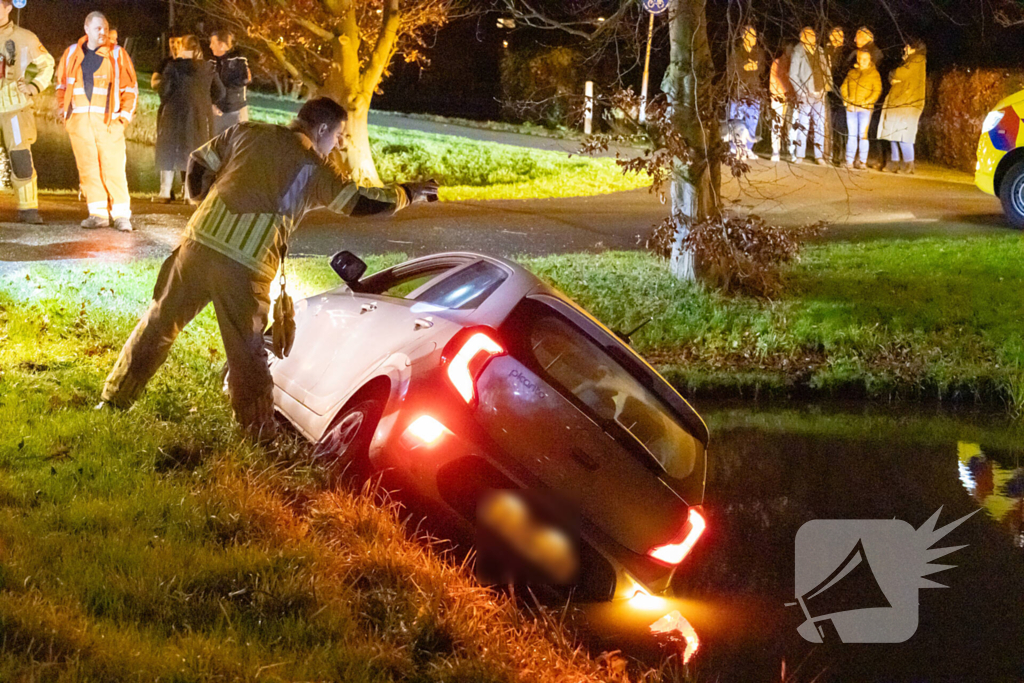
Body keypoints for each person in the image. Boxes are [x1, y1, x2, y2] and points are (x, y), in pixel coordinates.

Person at [97, 98, 440, 440]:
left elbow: (198, 162)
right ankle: (259, 435)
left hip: (197, 246)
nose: (339, 143)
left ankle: (113, 400)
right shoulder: (314, 167)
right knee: (247, 354)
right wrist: (410, 192)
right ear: (320, 128)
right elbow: (362, 201)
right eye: (338, 135)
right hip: (245, 264)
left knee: (160, 322)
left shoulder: (245, 132)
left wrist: (204, 202)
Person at [55, 11, 139, 232]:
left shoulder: (118, 55)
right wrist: (66, 115)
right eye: (97, 28)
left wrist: (123, 119)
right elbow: (61, 86)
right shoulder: (72, 53)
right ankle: (98, 213)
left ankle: (121, 215)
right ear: (86, 29)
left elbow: (130, 89)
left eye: (104, 28)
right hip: (80, 123)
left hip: (109, 122)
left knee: (113, 167)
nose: (102, 32)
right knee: (88, 168)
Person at [0, 0, 54, 224]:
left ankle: (28, 209)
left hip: (14, 108)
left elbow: (47, 64)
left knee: (20, 157)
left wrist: (33, 87)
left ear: (8, 7)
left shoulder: (26, 38)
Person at [154, 35, 224, 202]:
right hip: (200, 115)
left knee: (169, 149)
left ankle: (165, 191)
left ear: (182, 47)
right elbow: (221, 92)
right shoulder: (208, 68)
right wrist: (207, 102)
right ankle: (188, 194)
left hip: (174, 114)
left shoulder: (173, 66)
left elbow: (164, 90)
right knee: (193, 151)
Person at [878, 39, 927, 174]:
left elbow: (900, 73)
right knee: (893, 133)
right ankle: (894, 162)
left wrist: (893, 75)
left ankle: (908, 163)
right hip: (899, 103)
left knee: (904, 134)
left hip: (907, 104)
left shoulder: (917, 60)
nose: (904, 49)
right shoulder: (911, 61)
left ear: (913, 48)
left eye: (907, 46)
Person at [788, 27, 830, 164]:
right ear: (802, 37)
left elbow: (826, 70)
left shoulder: (820, 50)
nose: (813, 36)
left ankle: (819, 156)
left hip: (820, 93)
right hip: (806, 94)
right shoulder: (798, 51)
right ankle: (800, 155)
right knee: (803, 125)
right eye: (809, 34)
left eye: (813, 34)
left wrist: (826, 88)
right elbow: (792, 75)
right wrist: (801, 92)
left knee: (819, 126)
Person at [727, 25, 764, 155]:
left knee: (752, 120)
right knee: (737, 120)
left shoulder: (759, 52)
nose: (754, 38)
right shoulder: (737, 52)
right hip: (740, 92)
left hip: (754, 91)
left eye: (755, 35)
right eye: (751, 35)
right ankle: (734, 147)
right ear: (744, 37)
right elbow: (732, 71)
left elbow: (762, 68)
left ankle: (748, 148)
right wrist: (745, 67)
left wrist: (755, 66)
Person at [840, 50, 882, 169]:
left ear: (870, 60)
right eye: (860, 59)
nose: (862, 61)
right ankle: (849, 161)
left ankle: (862, 162)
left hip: (865, 109)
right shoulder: (852, 72)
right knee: (851, 135)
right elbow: (844, 87)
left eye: (865, 59)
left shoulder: (874, 74)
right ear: (857, 59)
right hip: (851, 108)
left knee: (863, 135)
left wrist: (866, 102)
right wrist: (847, 100)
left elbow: (877, 91)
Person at [209, 29, 251, 136]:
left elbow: (243, 80)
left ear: (222, 45)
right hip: (216, 113)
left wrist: (221, 95)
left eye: (213, 43)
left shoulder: (238, 60)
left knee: (234, 146)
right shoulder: (211, 63)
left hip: (234, 111)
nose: (210, 46)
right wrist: (212, 104)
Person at [824, 27, 849, 165]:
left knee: (840, 125)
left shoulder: (846, 52)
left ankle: (840, 154)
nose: (836, 37)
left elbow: (842, 70)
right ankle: (828, 153)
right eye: (834, 34)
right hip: (827, 91)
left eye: (840, 35)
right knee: (829, 124)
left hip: (839, 91)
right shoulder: (826, 50)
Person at [769, 43, 793, 162]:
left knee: (791, 126)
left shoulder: (793, 63)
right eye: (789, 49)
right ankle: (775, 151)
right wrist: (774, 94)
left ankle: (791, 151)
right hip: (779, 97)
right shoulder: (777, 62)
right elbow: (773, 80)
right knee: (777, 124)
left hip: (791, 98)